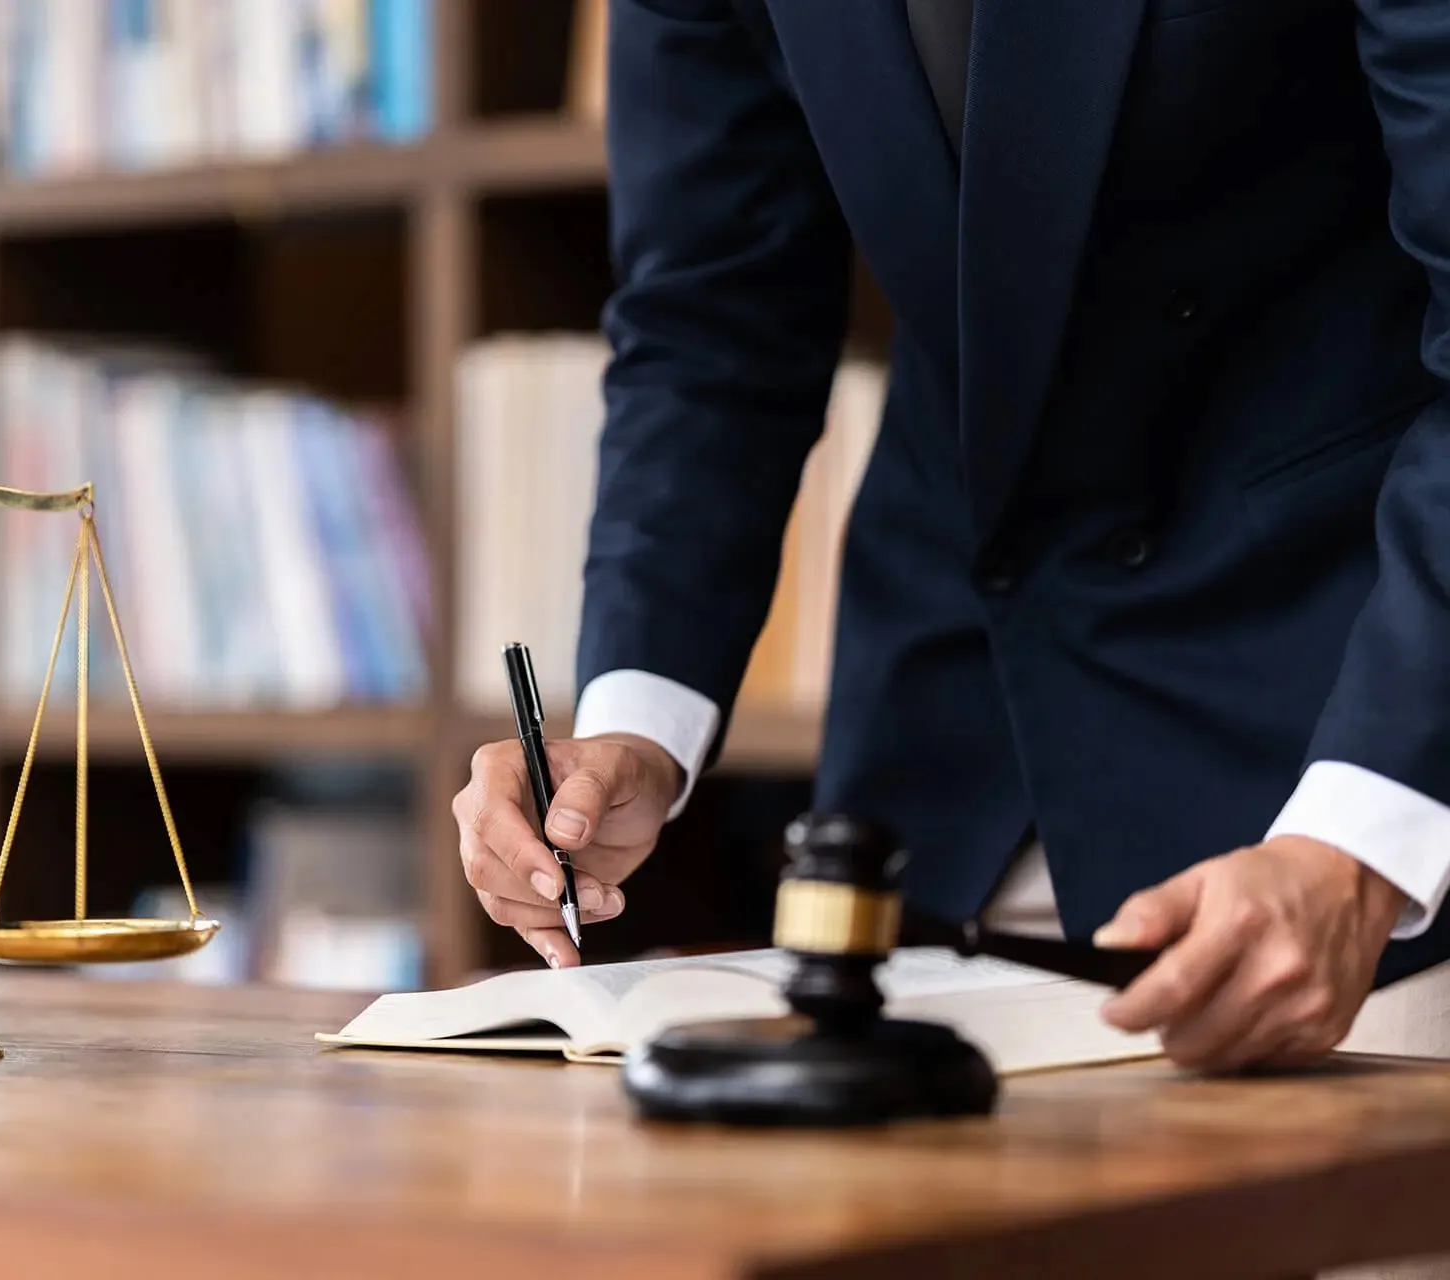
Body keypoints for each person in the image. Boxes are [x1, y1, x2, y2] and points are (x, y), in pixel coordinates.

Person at [453, 0, 1450, 1092]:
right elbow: (706, 318)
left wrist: (1361, 845)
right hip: (942, 777)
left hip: (1347, 757)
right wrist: (628, 734)